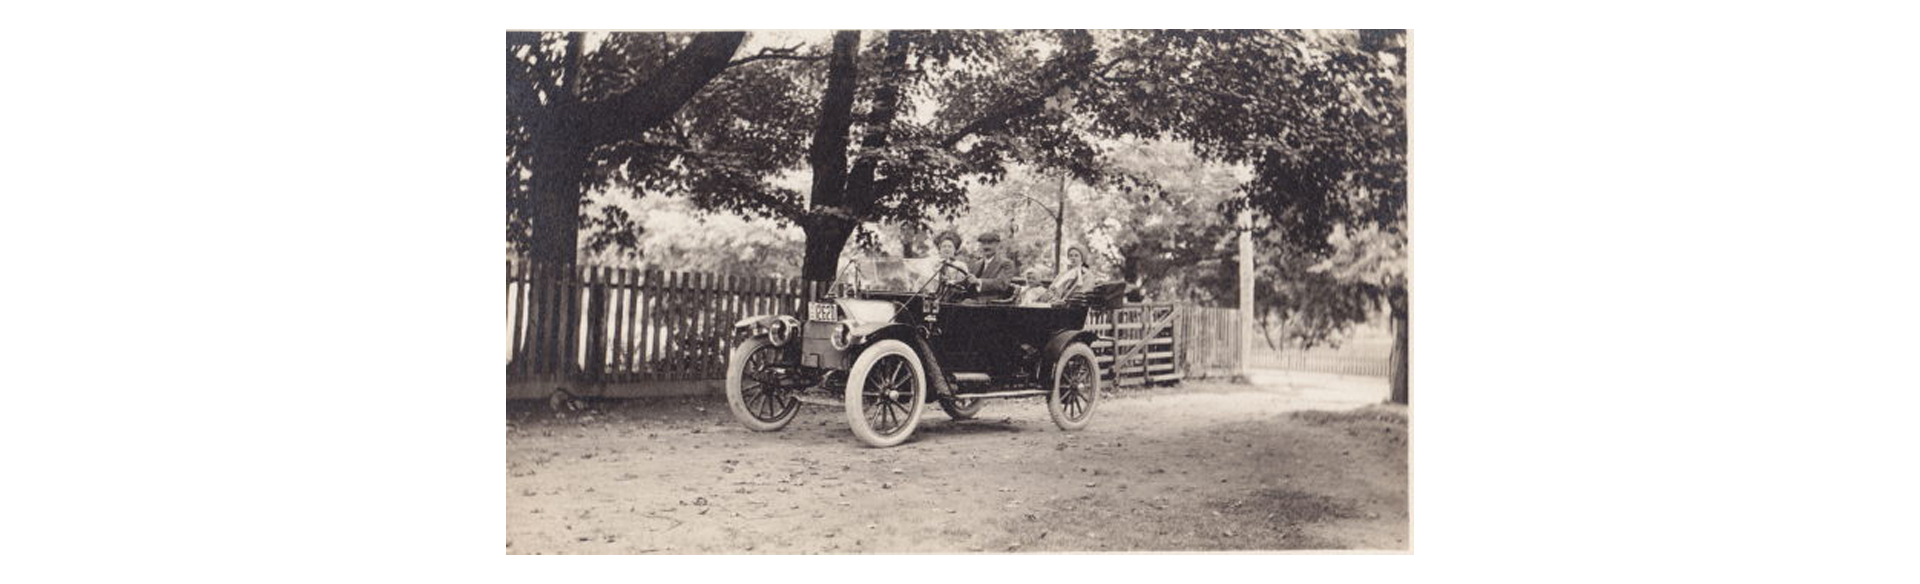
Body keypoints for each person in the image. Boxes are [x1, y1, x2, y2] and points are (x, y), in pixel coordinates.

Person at [967, 232, 1019, 300]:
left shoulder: (1006, 264)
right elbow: (969, 282)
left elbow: (1001, 284)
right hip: (974, 301)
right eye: (983, 243)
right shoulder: (977, 264)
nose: (986, 247)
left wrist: (978, 281)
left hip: (994, 304)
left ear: (997, 245)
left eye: (989, 243)